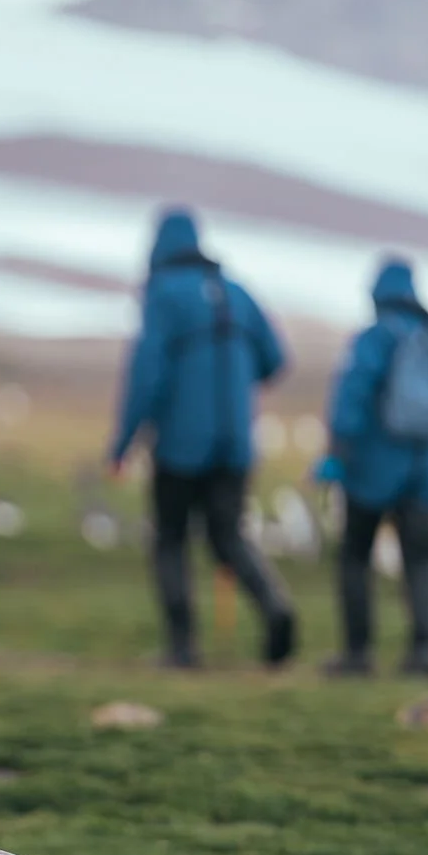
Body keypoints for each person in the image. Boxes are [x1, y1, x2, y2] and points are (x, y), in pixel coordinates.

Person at [108, 208, 295, 670]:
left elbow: (147, 373)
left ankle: (182, 647)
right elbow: (276, 359)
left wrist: (124, 441)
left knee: (171, 538)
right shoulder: (237, 292)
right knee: (228, 536)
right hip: (235, 443)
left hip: (180, 445)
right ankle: (276, 608)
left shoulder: (163, 294)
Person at [316, 258, 428, 677]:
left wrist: (337, 451)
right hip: (426, 469)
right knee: (421, 560)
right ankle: (425, 651)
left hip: (373, 467)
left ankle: (358, 652)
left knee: (355, 556)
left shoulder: (374, 338)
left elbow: (351, 395)